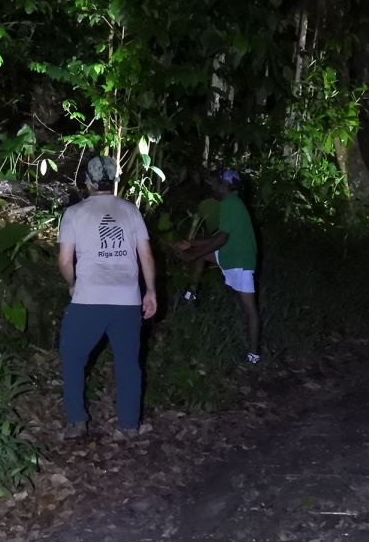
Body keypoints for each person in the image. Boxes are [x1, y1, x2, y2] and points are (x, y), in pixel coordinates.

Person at [57, 154, 157, 439]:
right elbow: (146, 255)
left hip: (88, 298)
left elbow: (65, 261)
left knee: (73, 356)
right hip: (127, 300)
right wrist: (150, 291)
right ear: (114, 181)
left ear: (87, 181)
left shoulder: (75, 214)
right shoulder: (131, 211)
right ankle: (129, 425)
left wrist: (72, 284)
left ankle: (76, 420)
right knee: (128, 362)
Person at [171, 168, 260, 364]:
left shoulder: (231, 205)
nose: (212, 185)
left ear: (226, 186)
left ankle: (254, 354)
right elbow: (218, 237)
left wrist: (191, 253)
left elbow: (220, 239)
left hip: (240, 262)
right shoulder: (231, 203)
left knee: (250, 310)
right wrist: (190, 244)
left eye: (216, 183)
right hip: (228, 253)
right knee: (200, 258)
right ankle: (190, 295)